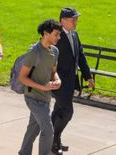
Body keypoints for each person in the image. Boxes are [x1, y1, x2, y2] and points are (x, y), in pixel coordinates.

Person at [50, 8, 94, 155]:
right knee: (67, 111)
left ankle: (52, 138)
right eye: (72, 19)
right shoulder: (56, 36)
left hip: (70, 81)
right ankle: (54, 142)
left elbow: (80, 56)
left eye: (76, 19)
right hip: (59, 82)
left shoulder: (74, 34)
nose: (75, 22)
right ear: (63, 20)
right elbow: (49, 59)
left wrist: (88, 76)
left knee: (58, 111)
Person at [18, 19, 62, 155]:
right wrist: (42, 87)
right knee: (48, 130)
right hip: (33, 98)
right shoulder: (34, 52)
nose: (59, 37)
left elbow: (53, 72)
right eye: (56, 34)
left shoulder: (54, 51)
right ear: (45, 33)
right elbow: (23, 77)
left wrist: (57, 80)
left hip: (45, 98)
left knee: (33, 128)